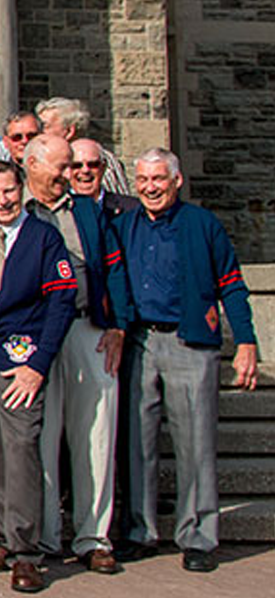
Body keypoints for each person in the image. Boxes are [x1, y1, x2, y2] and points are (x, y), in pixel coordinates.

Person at [114, 148, 261, 573]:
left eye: (158, 179)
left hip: (188, 342)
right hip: (139, 341)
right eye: (142, 180)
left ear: (176, 180)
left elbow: (232, 285)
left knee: (196, 443)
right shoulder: (124, 226)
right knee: (136, 443)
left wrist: (247, 341)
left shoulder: (203, 224)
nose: (150, 187)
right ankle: (140, 530)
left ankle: (198, 536)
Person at [0, 160, 77, 593]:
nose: (3, 200)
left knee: (21, 454)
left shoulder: (44, 237)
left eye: (9, 191)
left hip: (19, 365)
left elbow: (62, 303)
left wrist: (37, 365)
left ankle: (27, 554)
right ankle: (3, 541)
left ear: (22, 189)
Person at [20, 134, 128, 574]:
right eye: (61, 168)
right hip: (35, 335)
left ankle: (92, 537)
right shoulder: (15, 209)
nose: (70, 176)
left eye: (72, 167)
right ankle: (44, 536)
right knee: (41, 436)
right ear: (31, 165)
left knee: (95, 434)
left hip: (89, 330)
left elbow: (115, 267)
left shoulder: (87, 210)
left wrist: (120, 324)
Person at [36, 97, 134, 196]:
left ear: (69, 131)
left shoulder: (100, 160)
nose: (38, 132)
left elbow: (119, 202)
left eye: (44, 126)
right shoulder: (41, 158)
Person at [71, 138, 139, 216]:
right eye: (76, 165)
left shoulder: (132, 209)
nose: (85, 170)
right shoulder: (57, 212)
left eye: (93, 164)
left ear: (103, 167)